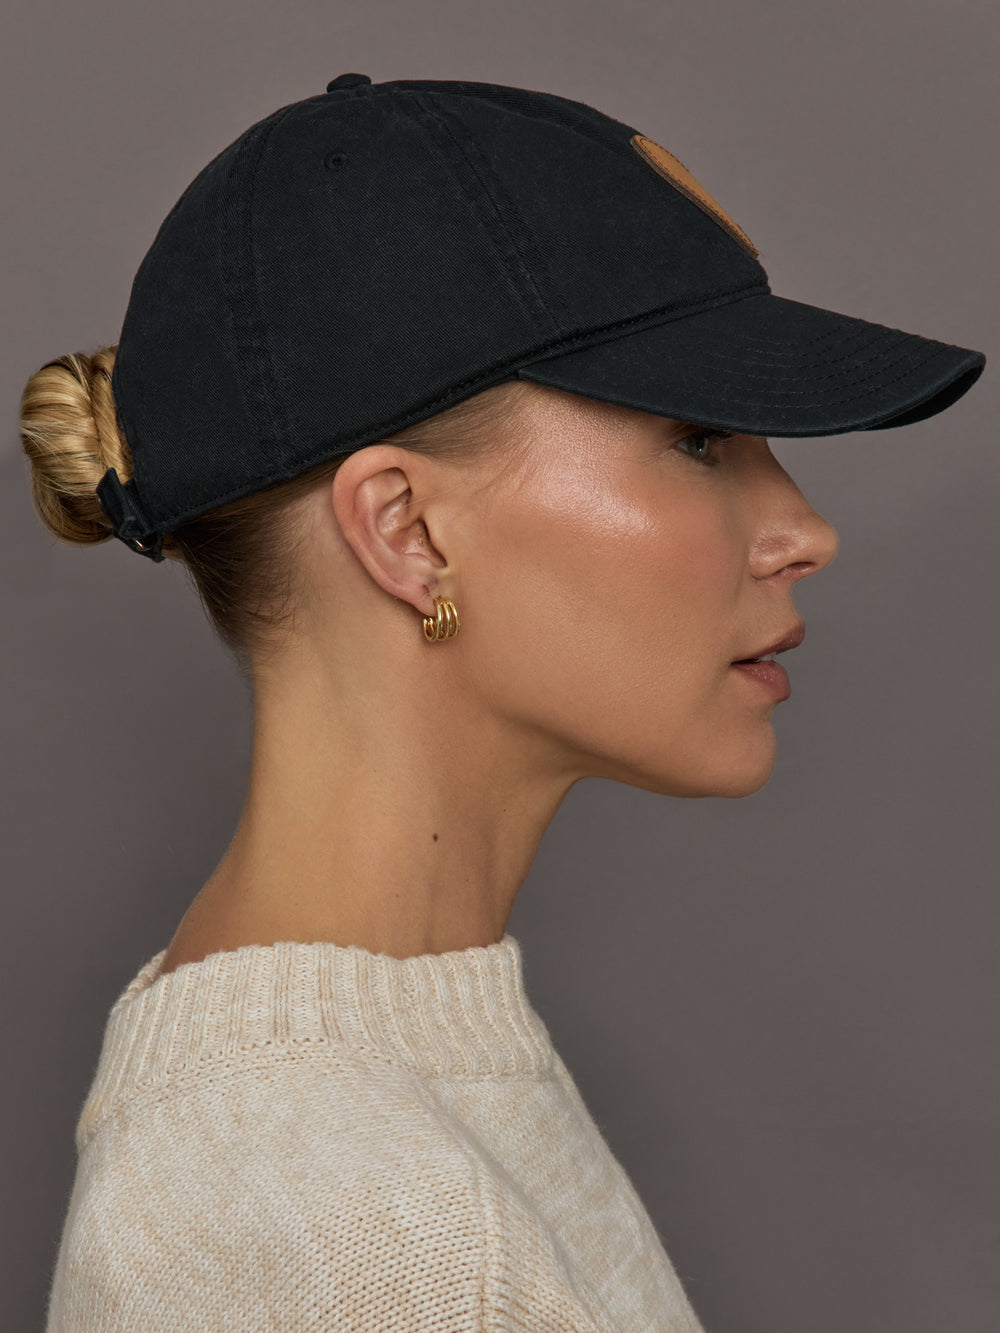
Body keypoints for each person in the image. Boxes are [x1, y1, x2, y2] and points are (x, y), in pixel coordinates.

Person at [19, 75, 985, 1333]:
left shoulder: (366, 1105)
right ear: (408, 531)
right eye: (700, 439)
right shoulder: (374, 1229)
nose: (806, 530)